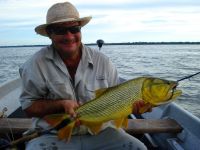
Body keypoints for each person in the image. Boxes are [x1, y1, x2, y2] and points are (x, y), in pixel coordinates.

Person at [19, 1, 150, 150]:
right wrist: (62, 104)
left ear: (80, 29)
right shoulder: (35, 64)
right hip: (53, 134)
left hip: (102, 132)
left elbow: (119, 100)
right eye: (60, 31)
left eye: (74, 29)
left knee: (139, 148)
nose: (69, 37)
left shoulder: (104, 62)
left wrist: (134, 108)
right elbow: (29, 107)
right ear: (50, 33)